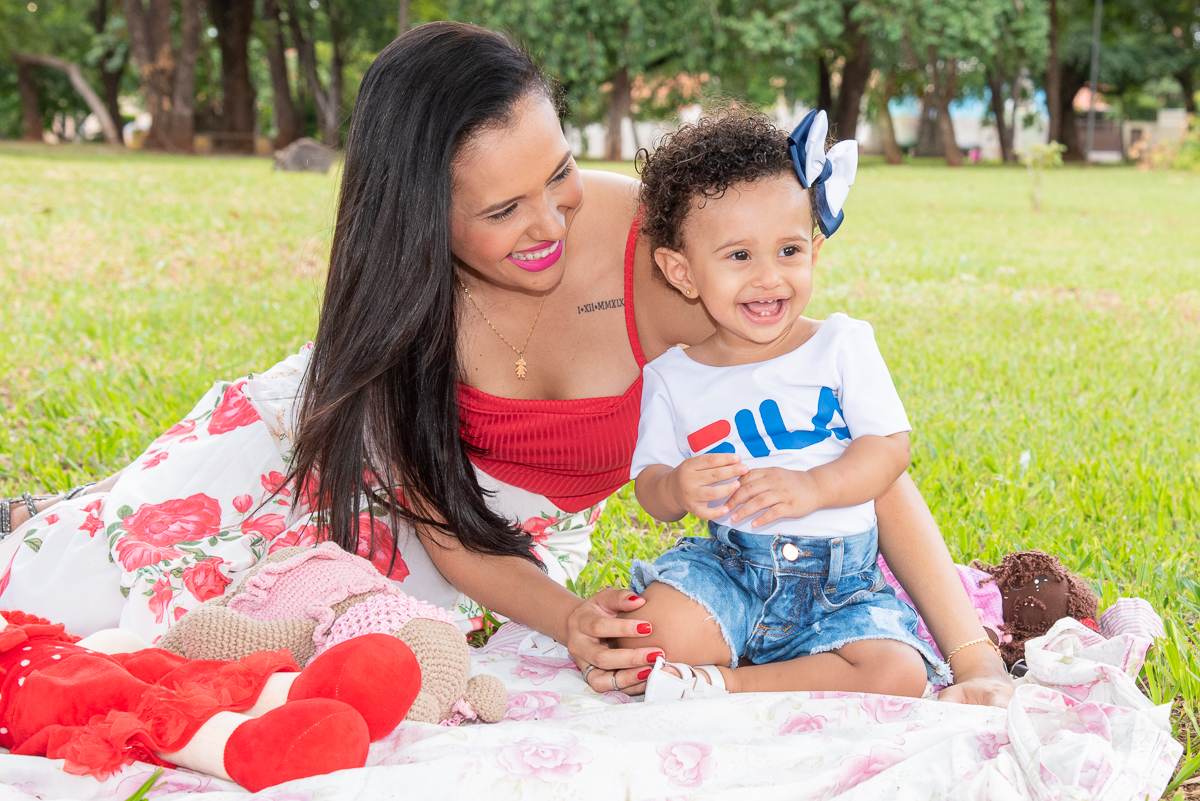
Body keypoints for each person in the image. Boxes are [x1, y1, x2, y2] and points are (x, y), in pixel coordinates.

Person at [0, 21, 1011, 705]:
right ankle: (52, 518)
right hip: (301, 448)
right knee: (57, 601)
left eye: (560, 173)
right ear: (417, 219)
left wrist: (967, 650)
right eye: (500, 209)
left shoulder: (662, 251)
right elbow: (432, 509)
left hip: (469, 550)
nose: (551, 221)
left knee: (337, 666)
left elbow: (854, 444)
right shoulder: (400, 324)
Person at [620, 110, 972, 700]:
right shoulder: (674, 376)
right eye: (738, 257)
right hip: (730, 572)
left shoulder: (840, 345)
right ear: (681, 272)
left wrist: (815, 488)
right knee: (638, 640)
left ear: (814, 248)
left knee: (899, 674)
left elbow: (889, 450)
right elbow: (650, 489)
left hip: (839, 586)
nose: (769, 278)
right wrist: (679, 486)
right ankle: (732, 667)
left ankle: (726, 685)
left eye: (788, 250)